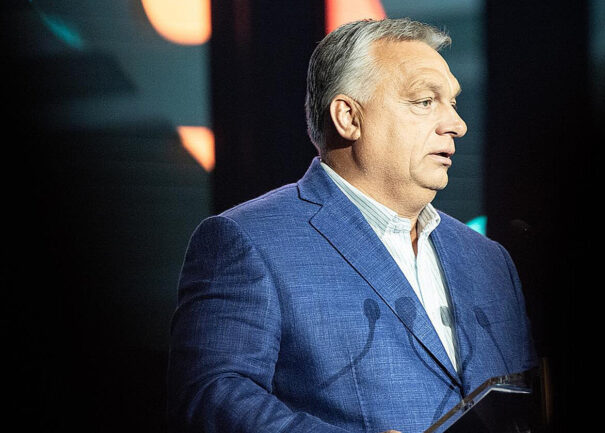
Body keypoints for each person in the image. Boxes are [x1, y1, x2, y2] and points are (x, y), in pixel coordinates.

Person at [167, 18, 537, 433]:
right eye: (424, 101)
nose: (456, 124)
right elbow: (211, 397)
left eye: (452, 102)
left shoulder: (488, 259)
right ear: (348, 117)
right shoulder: (248, 240)